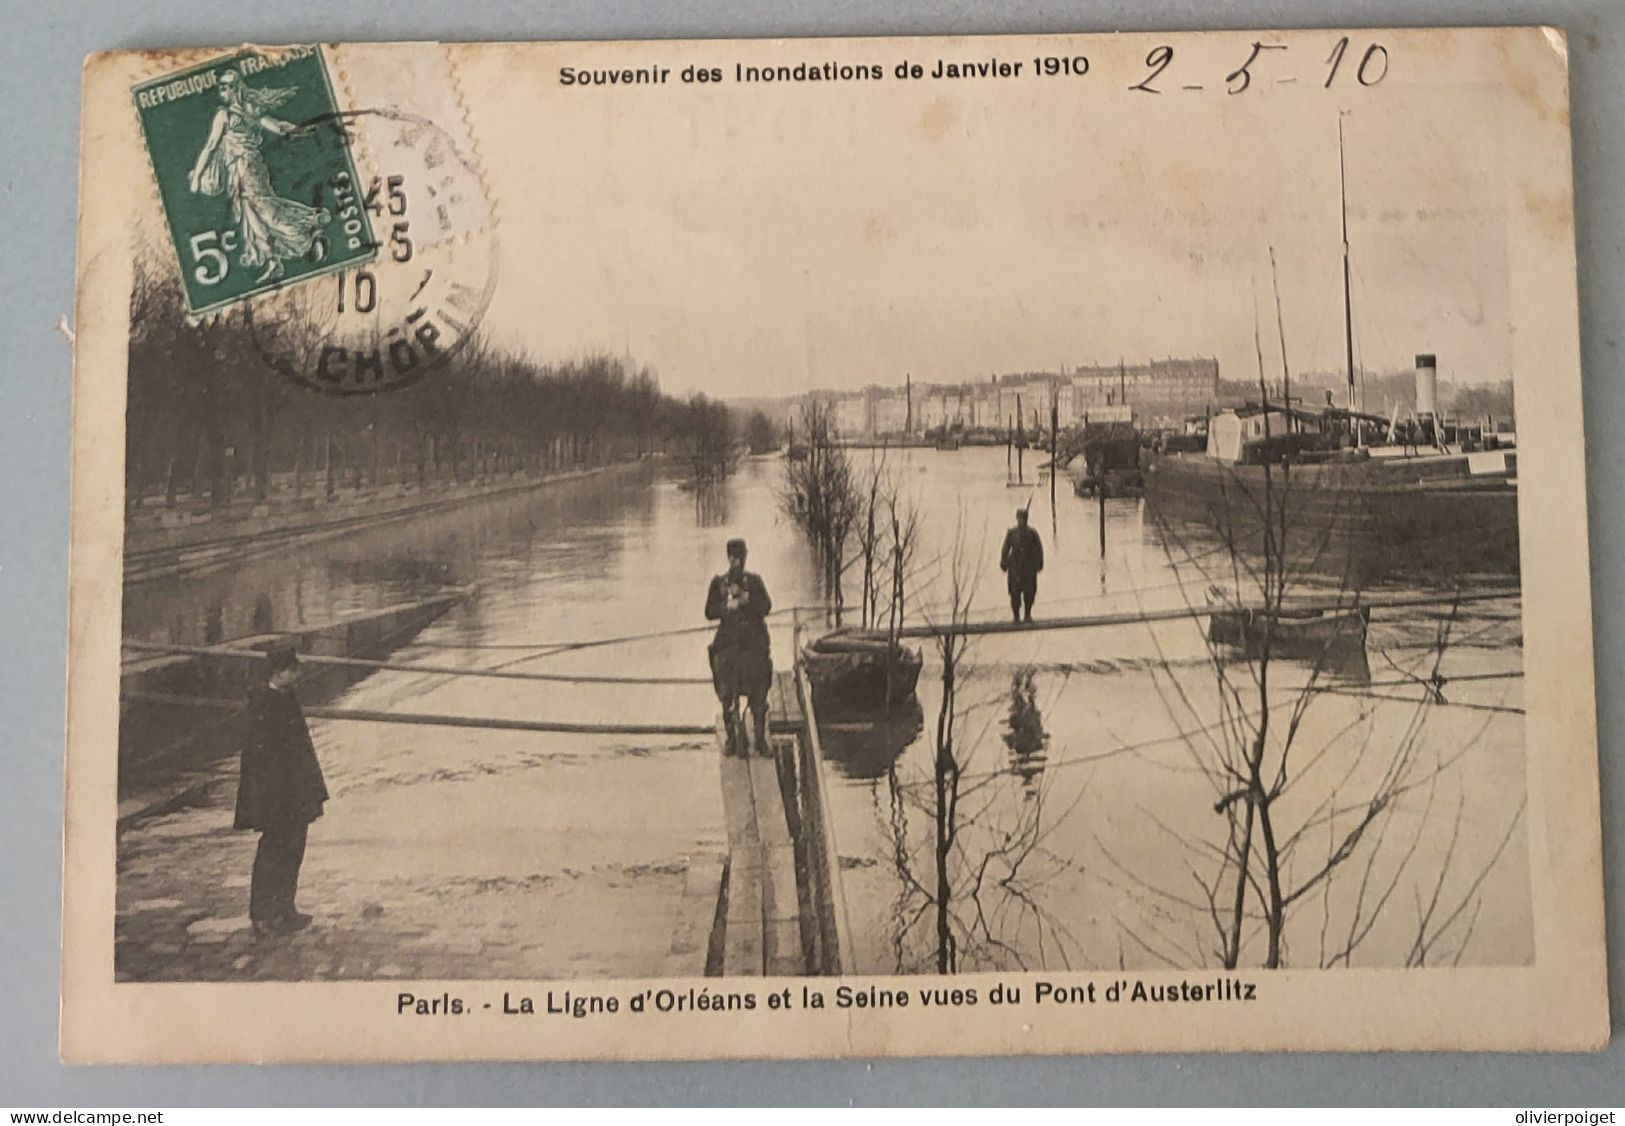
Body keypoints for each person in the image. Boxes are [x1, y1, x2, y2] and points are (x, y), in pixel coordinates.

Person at [188, 68, 330, 283]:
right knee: (250, 213)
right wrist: (296, 130)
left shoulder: (226, 115)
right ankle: (273, 260)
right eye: (221, 87)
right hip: (243, 169)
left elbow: (210, 147)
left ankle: (311, 222)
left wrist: (197, 176)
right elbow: (276, 126)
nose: (222, 90)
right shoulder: (247, 111)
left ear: (236, 88)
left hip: (246, 168)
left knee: (265, 209)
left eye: (226, 86)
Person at [234, 638, 329, 937]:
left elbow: (300, 749)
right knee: (273, 851)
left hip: (295, 793)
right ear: (279, 672)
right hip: (276, 797)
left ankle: (286, 908)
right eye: (293, 670)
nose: (298, 674)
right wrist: (271, 799)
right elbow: (261, 760)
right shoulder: (263, 704)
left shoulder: (288, 698)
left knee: (293, 849)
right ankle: (263, 913)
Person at [704, 538, 774, 757]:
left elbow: (766, 606)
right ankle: (732, 740)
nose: (737, 562)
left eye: (740, 557)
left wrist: (747, 601)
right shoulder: (719, 583)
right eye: (734, 557)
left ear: (745, 557)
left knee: (760, 685)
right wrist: (727, 607)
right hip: (729, 642)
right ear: (728, 557)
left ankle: (760, 740)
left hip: (753, 642)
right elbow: (709, 612)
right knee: (726, 687)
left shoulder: (754, 582)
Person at [1000, 507, 1044, 623]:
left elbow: (1039, 549)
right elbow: (1005, 548)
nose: (1021, 521)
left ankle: (1027, 615)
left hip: (1028, 568)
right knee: (1015, 593)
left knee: (1029, 593)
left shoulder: (1032, 533)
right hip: (1015, 568)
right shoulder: (1012, 533)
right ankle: (1016, 617)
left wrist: (1039, 564)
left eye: (1023, 518)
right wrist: (1004, 563)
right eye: (1019, 518)